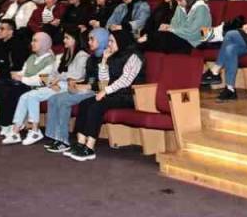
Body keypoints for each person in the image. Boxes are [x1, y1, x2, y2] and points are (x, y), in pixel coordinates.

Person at [64, 30, 145, 161]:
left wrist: (105, 91)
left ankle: (89, 147)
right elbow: (104, 80)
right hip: (113, 93)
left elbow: (126, 81)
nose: (109, 44)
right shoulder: (113, 56)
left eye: (112, 41)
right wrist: (104, 61)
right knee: (85, 104)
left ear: (121, 41)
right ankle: (80, 143)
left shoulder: (134, 56)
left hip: (129, 95)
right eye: (109, 41)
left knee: (96, 106)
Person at [10, 30, 91, 146]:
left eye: (67, 38)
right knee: (25, 96)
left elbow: (77, 75)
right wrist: (52, 83)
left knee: (32, 95)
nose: (64, 41)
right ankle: (15, 130)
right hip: (55, 85)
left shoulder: (79, 55)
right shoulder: (58, 55)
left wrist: (57, 79)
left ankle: (34, 130)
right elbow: (51, 74)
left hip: (67, 86)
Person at [43, 28, 109, 153]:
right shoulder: (92, 57)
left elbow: (103, 81)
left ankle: (64, 141)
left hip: (96, 92)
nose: (89, 42)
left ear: (102, 40)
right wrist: (79, 84)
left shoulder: (106, 57)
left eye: (92, 39)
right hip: (87, 87)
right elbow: (89, 78)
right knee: (53, 98)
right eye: (88, 39)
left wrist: (86, 86)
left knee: (63, 100)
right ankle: (55, 137)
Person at [0, 32, 58, 144]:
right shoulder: (31, 57)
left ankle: (31, 130)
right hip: (30, 86)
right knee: (9, 89)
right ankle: (15, 131)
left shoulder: (51, 60)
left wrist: (22, 79)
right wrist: (16, 74)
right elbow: (24, 72)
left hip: (45, 88)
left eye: (35, 40)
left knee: (22, 94)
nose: (32, 43)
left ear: (44, 43)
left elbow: (42, 80)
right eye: (32, 40)